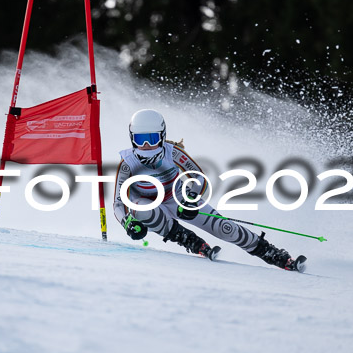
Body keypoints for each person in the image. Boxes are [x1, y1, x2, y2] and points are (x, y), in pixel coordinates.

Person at [113, 109, 306, 272]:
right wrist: (127, 222)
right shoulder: (127, 164)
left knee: (225, 228)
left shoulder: (172, 152)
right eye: (140, 139)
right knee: (143, 210)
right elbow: (118, 203)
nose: (146, 146)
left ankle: (273, 254)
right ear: (132, 139)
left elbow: (198, 177)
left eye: (152, 138)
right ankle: (189, 240)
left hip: (176, 197)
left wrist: (189, 199)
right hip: (147, 202)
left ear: (162, 136)